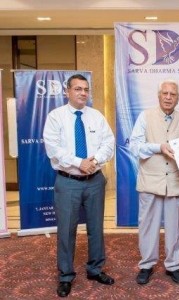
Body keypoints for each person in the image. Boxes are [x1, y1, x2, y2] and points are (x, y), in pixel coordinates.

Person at [43, 74, 115, 297]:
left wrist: (93, 161)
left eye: (86, 89)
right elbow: (53, 149)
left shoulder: (96, 116)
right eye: (77, 89)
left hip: (94, 180)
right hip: (68, 182)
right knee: (66, 231)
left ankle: (95, 269)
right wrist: (79, 163)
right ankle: (66, 275)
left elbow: (108, 143)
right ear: (67, 91)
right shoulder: (56, 117)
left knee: (96, 229)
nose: (83, 93)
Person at [130, 79, 179, 286]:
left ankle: (173, 265)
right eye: (164, 93)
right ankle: (146, 264)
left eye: (172, 94)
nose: (168, 97)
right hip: (150, 180)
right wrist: (159, 147)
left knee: (175, 227)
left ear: (178, 98)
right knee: (147, 225)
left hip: (176, 181)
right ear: (158, 95)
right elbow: (135, 147)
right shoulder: (145, 116)